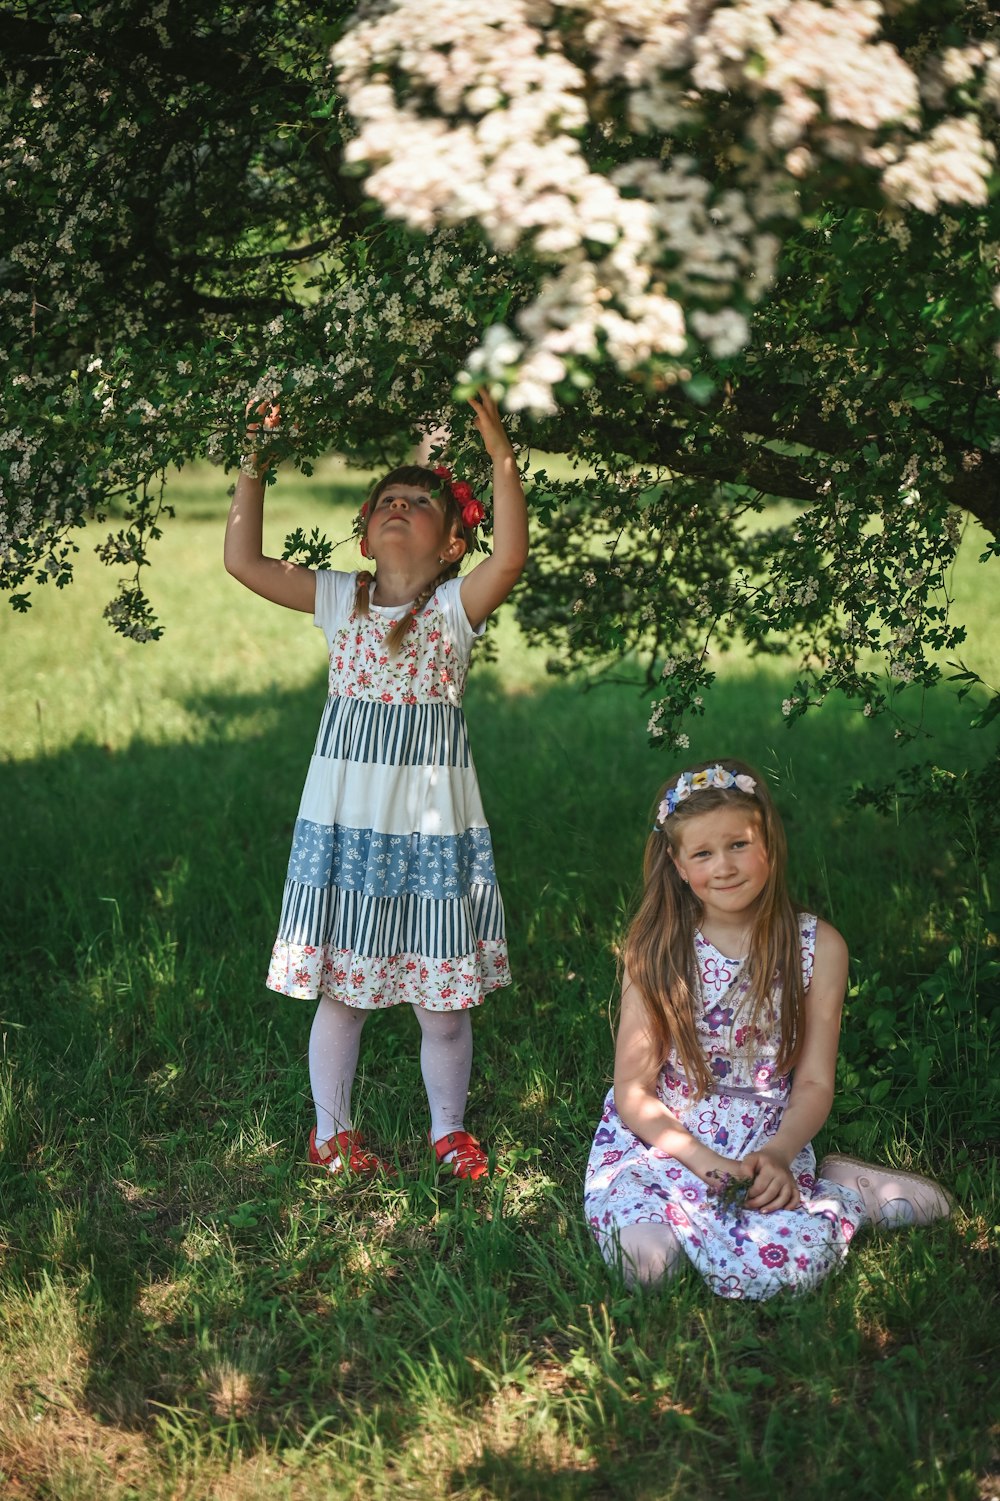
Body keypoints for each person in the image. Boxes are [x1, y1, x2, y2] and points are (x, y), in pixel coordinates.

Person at [224, 390, 529, 1180]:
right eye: (386, 501)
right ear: (364, 533)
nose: (399, 507)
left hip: (432, 832)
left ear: (454, 542)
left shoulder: (457, 611)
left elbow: (513, 558)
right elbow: (243, 561)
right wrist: (255, 459)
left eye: (419, 502)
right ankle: (332, 1135)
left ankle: (448, 1131)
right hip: (349, 831)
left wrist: (501, 460)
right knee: (345, 997)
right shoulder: (340, 598)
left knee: (444, 1006)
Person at [584, 759, 952, 1299]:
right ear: (678, 863)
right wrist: (708, 1165)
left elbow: (812, 1084)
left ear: (770, 844)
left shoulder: (818, 948)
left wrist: (779, 1154)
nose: (725, 866)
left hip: (763, 1138)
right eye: (704, 853)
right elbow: (634, 1091)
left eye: (739, 844)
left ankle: (848, 1192)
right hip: (663, 1140)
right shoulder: (658, 949)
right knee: (647, 1269)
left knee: (792, 1270)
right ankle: (675, 1217)